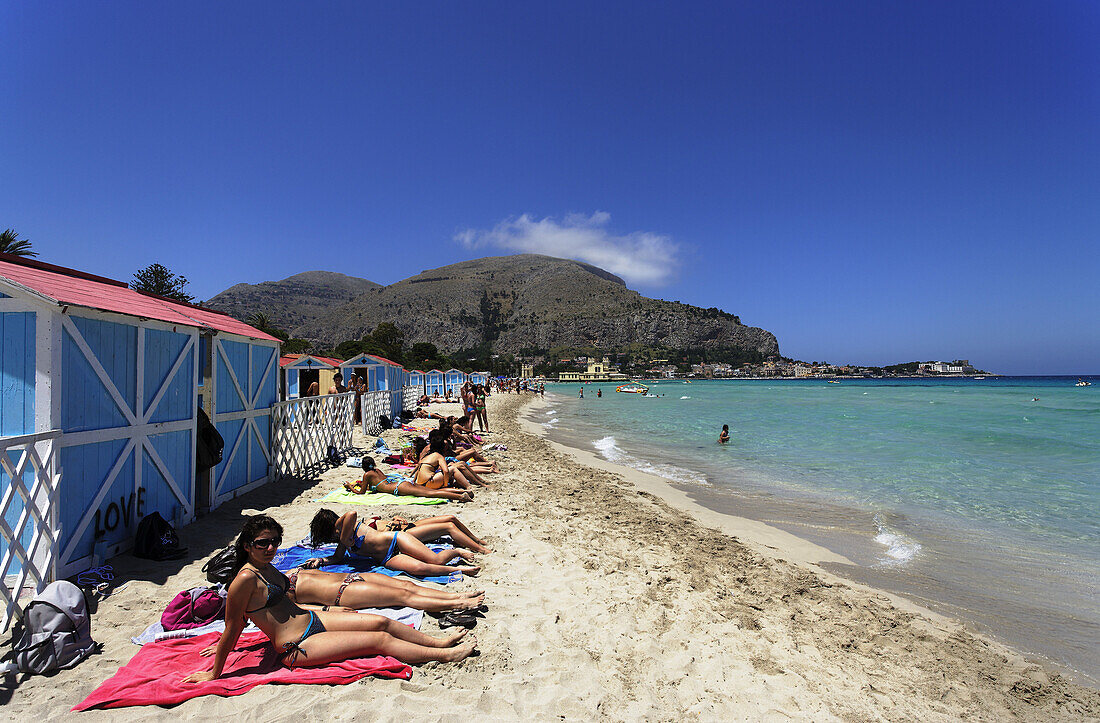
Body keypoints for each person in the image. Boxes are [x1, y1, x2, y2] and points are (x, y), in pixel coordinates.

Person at [182, 515, 475, 682]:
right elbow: (234, 626)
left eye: (275, 541)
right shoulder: (244, 580)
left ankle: (439, 641)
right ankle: (445, 655)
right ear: (247, 546)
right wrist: (214, 671)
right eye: (263, 543)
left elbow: (278, 607)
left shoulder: (265, 566)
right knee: (378, 641)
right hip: (297, 645)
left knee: (382, 622)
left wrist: (321, 608)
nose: (270, 547)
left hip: (313, 618)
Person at [307, 509, 481, 577]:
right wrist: (321, 561)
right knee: (420, 569)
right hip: (386, 558)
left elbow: (352, 513)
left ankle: (457, 552)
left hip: (397, 540)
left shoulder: (342, 526)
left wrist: (346, 538)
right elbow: (337, 558)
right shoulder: (341, 542)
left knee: (435, 561)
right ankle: (460, 569)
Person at [284, 567, 485, 613]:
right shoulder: (273, 590)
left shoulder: (282, 572)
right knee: (403, 596)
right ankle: (458, 604)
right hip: (342, 593)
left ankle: (455, 595)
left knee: (407, 585)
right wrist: (329, 610)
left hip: (349, 577)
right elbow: (298, 609)